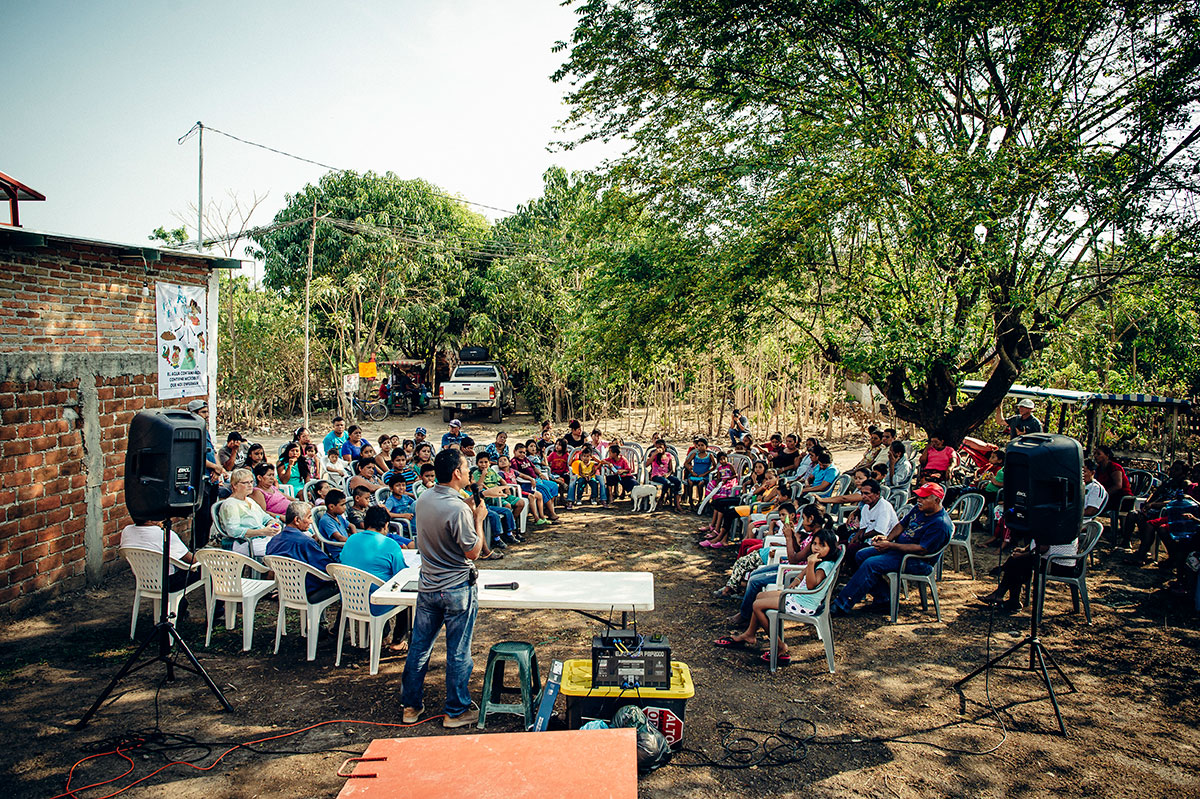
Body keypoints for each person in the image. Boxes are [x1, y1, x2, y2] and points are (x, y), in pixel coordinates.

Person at [401, 448, 486, 728]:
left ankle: (411, 706)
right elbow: (473, 551)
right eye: (466, 468)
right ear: (456, 473)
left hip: (428, 585)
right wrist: (478, 519)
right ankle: (455, 710)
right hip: (456, 588)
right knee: (458, 651)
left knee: (419, 648)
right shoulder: (458, 509)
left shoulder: (423, 499)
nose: (469, 472)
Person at [714, 528, 840, 665]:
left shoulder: (824, 566)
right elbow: (804, 573)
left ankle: (780, 645)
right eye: (814, 543)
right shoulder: (820, 560)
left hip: (803, 604)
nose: (816, 548)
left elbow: (811, 585)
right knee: (760, 596)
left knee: (757, 606)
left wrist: (810, 563)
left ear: (831, 548)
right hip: (797, 596)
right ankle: (750, 634)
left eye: (822, 545)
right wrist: (797, 580)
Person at [831, 482, 952, 615]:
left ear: (937, 500)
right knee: (860, 555)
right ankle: (884, 597)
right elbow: (901, 525)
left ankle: (841, 604)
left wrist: (891, 545)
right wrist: (887, 539)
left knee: (871, 564)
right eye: (919, 497)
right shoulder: (919, 509)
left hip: (917, 560)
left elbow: (922, 549)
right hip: (898, 550)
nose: (919, 500)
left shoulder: (940, 523)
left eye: (924, 498)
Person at [120, 516, 201, 618]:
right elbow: (192, 560)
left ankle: (180, 609)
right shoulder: (165, 535)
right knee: (203, 569)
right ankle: (215, 613)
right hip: (168, 582)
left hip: (144, 579)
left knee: (174, 564)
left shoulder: (127, 531)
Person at [340, 505, 410, 616]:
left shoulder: (351, 540)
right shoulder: (390, 544)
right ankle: (400, 628)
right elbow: (401, 574)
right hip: (376, 602)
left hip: (350, 599)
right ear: (386, 525)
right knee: (407, 598)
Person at [264, 501, 339, 603]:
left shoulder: (273, 541)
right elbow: (326, 567)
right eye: (309, 517)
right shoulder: (306, 542)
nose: (311, 521)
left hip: (285, 589)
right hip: (307, 590)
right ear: (297, 520)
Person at [218, 468, 283, 558]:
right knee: (282, 550)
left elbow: (266, 517)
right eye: (245, 483)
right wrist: (261, 532)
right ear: (235, 485)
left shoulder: (249, 500)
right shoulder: (230, 504)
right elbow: (233, 531)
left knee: (290, 544)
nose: (250, 485)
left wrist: (273, 525)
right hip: (243, 543)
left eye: (251, 482)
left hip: (260, 540)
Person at [187, 399, 225, 549]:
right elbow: (196, 457)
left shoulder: (205, 430)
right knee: (201, 517)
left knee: (210, 516)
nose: (206, 415)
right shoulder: (193, 431)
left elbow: (213, 452)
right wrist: (214, 467)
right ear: (194, 413)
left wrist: (217, 468)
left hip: (212, 478)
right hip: (201, 479)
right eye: (203, 412)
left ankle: (204, 545)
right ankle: (196, 548)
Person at [648, 439, 682, 511]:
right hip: (656, 475)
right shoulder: (654, 455)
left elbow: (671, 469)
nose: (659, 449)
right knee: (667, 482)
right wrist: (654, 454)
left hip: (665, 474)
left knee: (678, 481)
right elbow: (646, 464)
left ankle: (676, 501)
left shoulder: (668, 456)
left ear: (665, 447)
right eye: (657, 447)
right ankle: (661, 498)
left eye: (660, 447)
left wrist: (668, 474)